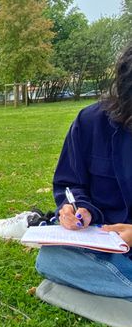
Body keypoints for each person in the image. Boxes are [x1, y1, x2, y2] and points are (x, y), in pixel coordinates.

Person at [36, 43, 132, 299]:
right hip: (102, 243)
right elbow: (70, 183)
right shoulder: (90, 122)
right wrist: (79, 208)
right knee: (49, 260)